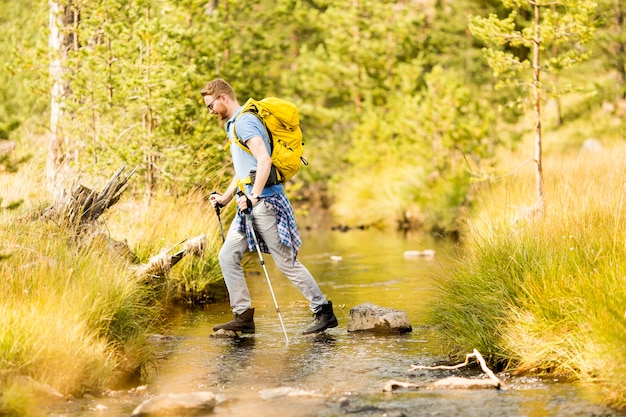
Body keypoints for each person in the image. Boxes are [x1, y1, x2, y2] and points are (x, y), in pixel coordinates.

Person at [201, 78, 338, 335]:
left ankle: (323, 311)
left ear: (223, 98)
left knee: (286, 262)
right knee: (227, 255)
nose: (210, 111)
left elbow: (263, 161)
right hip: (248, 205)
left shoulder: (245, 122)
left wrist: (254, 196)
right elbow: (244, 169)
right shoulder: (234, 125)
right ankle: (242, 316)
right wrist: (226, 197)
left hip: (265, 204)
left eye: (210, 106)